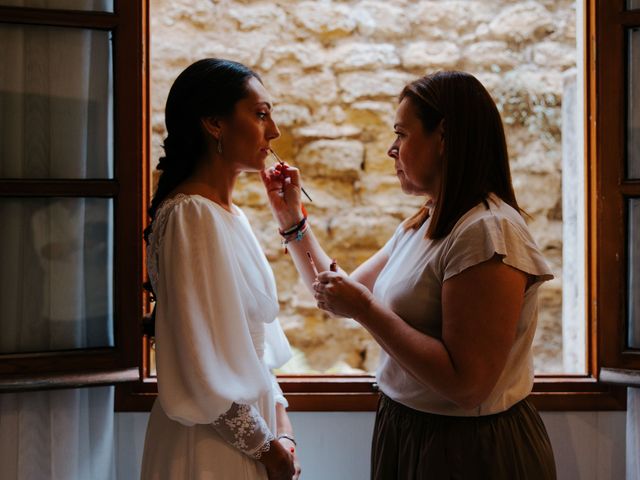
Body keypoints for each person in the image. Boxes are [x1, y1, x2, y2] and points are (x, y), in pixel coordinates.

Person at [261, 71, 557, 479]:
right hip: (409, 431)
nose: (390, 149)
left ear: (445, 136)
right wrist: (291, 219)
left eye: (402, 134)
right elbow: (334, 293)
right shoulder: (426, 221)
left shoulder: (488, 231)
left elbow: (467, 385)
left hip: (468, 450)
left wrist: (364, 308)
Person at [140, 58, 301, 480]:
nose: (275, 131)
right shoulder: (191, 217)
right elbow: (201, 365)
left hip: (255, 438)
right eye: (261, 114)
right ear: (214, 123)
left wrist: (283, 431)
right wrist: (271, 453)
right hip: (210, 448)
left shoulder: (231, 216)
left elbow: (254, 352)